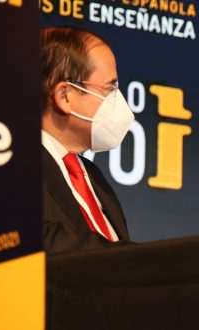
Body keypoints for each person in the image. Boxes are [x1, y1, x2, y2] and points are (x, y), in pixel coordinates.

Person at [41, 27, 134, 254]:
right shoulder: (7, 168)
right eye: (109, 88)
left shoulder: (93, 177)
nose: (117, 100)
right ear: (65, 96)